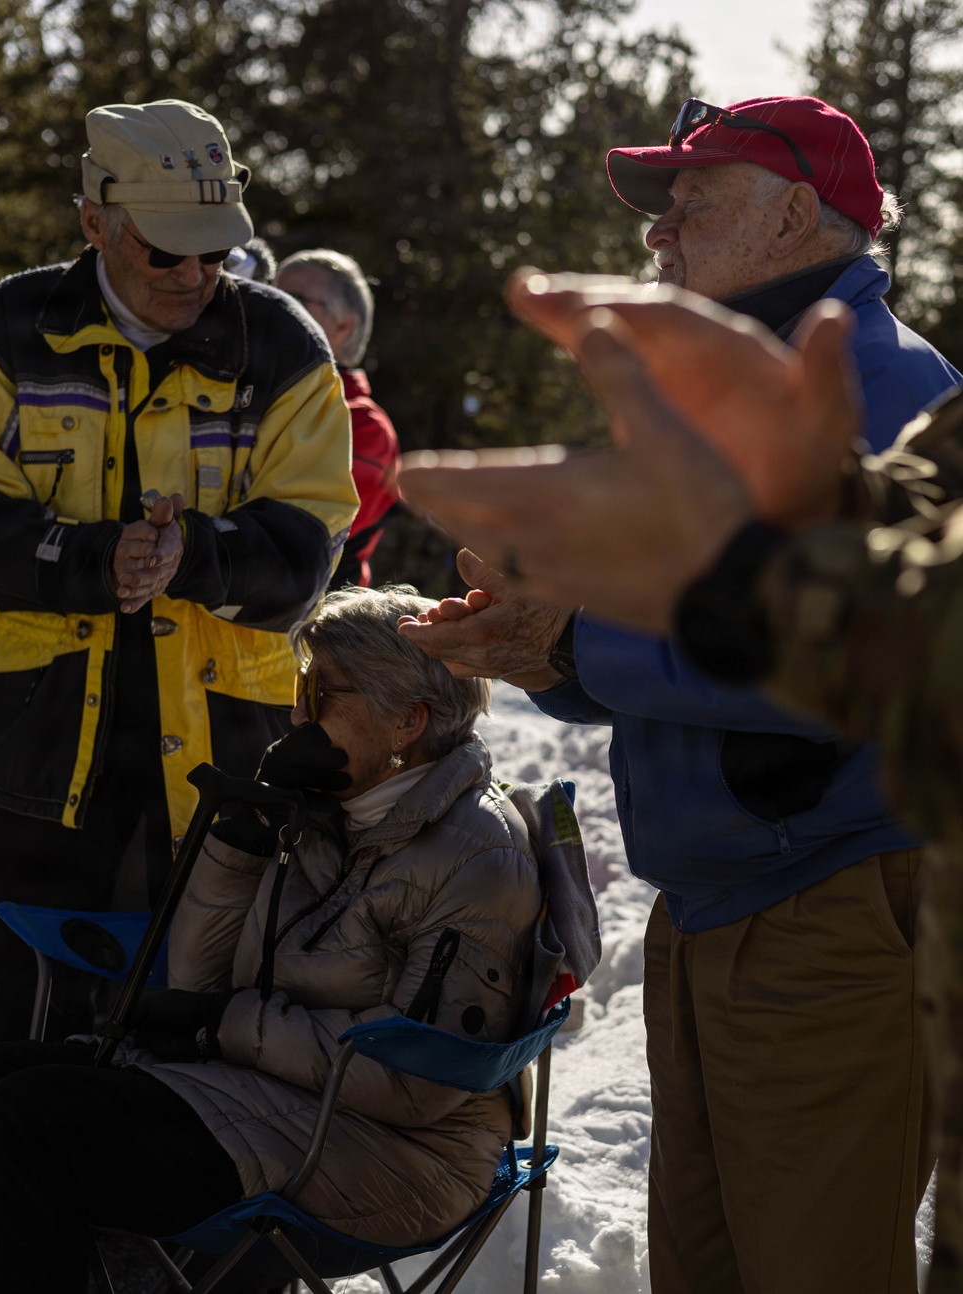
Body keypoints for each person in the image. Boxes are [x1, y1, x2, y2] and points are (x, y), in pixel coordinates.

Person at [398, 97, 962, 1294]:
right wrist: (541, 649)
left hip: (832, 911)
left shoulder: (881, 384)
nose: (659, 237)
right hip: (724, 905)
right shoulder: (720, 394)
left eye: (690, 204)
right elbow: (676, 630)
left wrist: (580, 645)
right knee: (704, 1268)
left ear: (797, 214)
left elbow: (847, 660)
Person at [0, 584, 592, 1294]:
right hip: (273, 1100)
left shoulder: (478, 856)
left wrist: (225, 1026)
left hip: (397, 1154)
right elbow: (202, 982)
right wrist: (240, 838)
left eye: (321, 691)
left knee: (27, 1129)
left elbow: (416, 1082)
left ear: (406, 721)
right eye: (300, 685)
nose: (296, 714)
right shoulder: (332, 810)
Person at [0, 98, 359, 1046]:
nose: (195, 275)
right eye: (166, 251)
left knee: (199, 1016)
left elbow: (310, 548)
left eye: (215, 252)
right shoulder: (10, 329)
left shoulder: (285, 345)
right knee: (10, 1010)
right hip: (37, 749)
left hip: (229, 751)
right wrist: (93, 561)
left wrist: (195, 556)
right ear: (96, 221)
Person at [275, 250, 400, 587]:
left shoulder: (364, 426)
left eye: (292, 299)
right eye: (269, 291)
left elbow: (300, 535)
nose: (270, 306)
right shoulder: (261, 396)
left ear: (343, 326)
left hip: (317, 629)